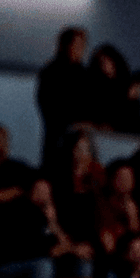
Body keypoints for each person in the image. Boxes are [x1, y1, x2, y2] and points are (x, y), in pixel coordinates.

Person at [35, 28, 92, 174]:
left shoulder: (85, 74)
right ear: (65, 45)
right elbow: (48, 107)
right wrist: (72, 123)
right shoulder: (50, 72)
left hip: (83, 138)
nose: (80, 49)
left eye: (82, 45)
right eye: (76, 44)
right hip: (57, 137)